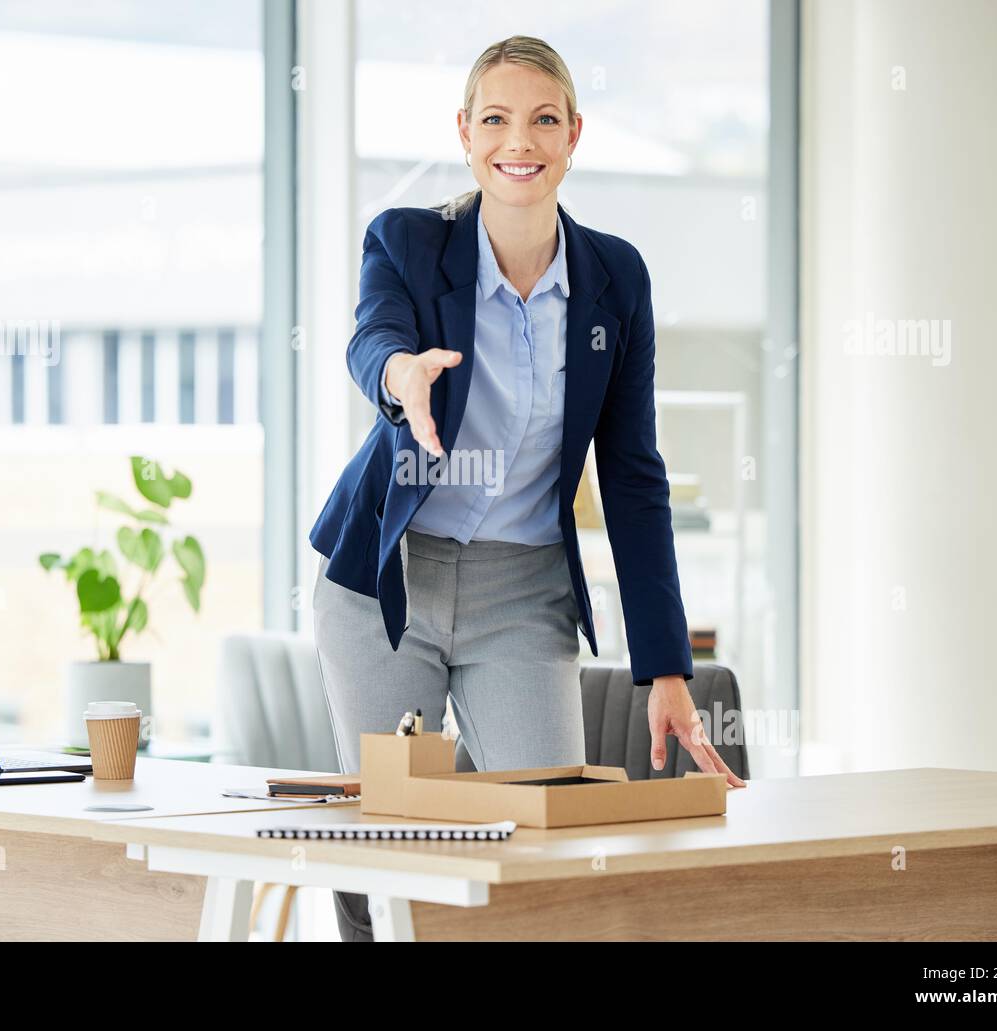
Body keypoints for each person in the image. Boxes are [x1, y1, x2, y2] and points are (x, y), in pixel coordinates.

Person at [309, 34, 745, 940]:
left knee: (544, 855)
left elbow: (632, 474)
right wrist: (400, 376)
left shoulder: (614, 277)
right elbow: (370, 338)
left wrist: (667, 666)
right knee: (393, 850)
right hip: (389, 583)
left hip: (525, 589)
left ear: (574, 133)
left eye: (544, 118)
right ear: (465, 134)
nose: (521, 140)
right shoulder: (407, 240)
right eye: (497, 119)